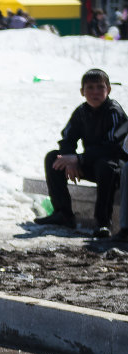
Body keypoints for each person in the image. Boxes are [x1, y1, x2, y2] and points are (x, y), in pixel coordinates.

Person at [34, 68, 127, 238]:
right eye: (90, 87)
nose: (95, 92)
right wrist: (69, 159)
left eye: (100, 87)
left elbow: (113, 147)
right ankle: (63, 214)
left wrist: (78, 158)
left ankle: (103, 222)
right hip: (90, 162)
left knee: (105, 165)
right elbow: (67, 139)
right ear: (82, 92)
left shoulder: (114, 112)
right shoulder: (81, 112)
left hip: (115, 168)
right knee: (53, 158)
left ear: (109, 89)